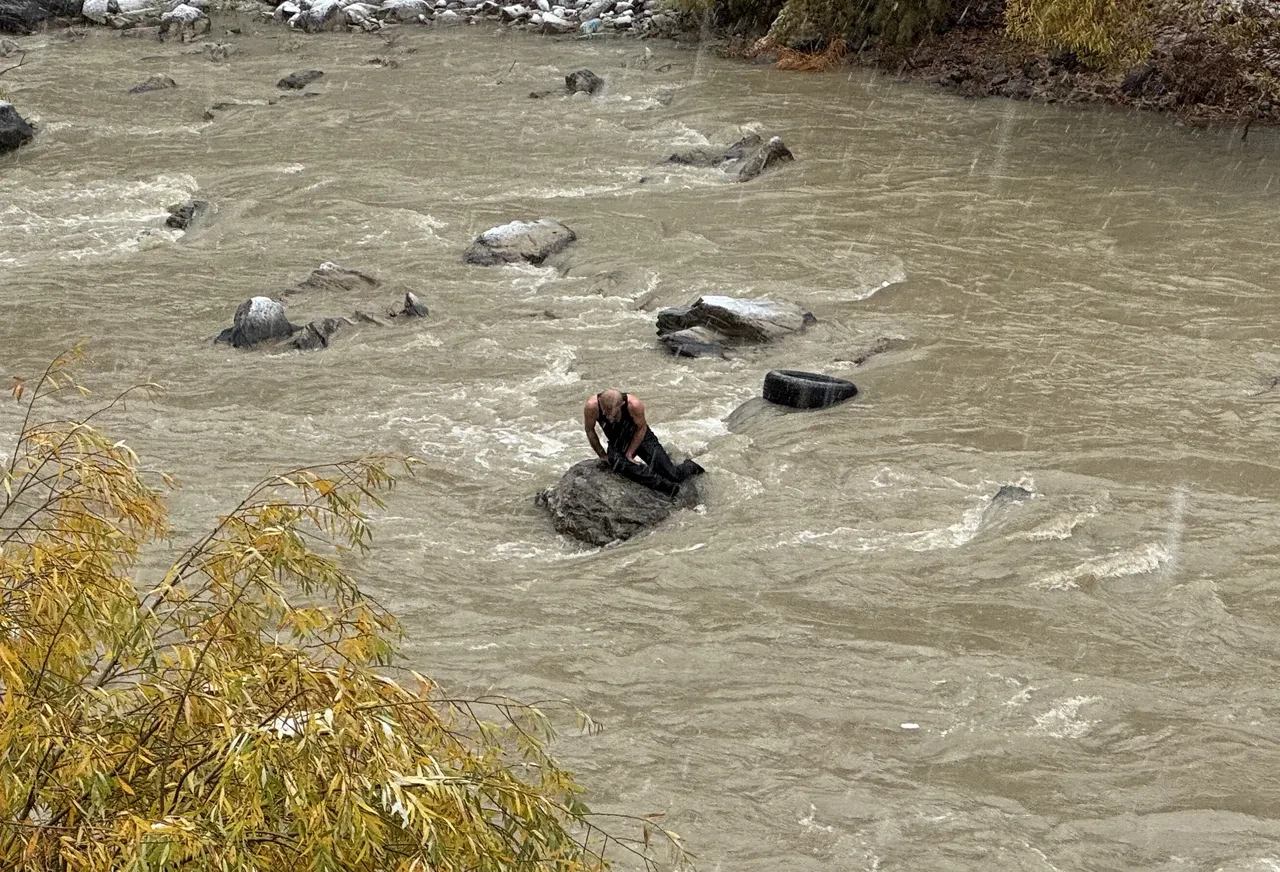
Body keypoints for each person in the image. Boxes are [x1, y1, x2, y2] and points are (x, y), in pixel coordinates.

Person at [584, 389, 704, 497]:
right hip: (617, 441)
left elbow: (641, 428)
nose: (609, 416)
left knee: (673, 475)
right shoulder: (592, 406)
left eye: (613, 413)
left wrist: (630, 453)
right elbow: (590, 430)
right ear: (600, 402)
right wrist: (602, 454)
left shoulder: (634, 404)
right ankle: (664, 486)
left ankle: (690, 466)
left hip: (641, 436)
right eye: (606, 412)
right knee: (617, 464)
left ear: (622, 404)